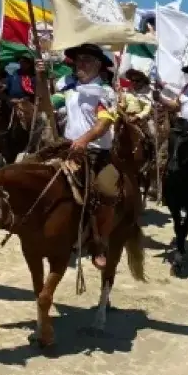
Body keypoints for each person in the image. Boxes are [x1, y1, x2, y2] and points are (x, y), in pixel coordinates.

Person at [61, 43, 119, 269]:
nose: (80, 64)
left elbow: (104, 122)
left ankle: (99, 243)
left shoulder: (105, 92)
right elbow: (48, 104)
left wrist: (85, 140)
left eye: (86, 60)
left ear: (97, 65)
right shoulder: (69, 88)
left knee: (106, 191)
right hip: (66, 148)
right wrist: (40, 78)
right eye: (78, 59)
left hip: (95, 153)